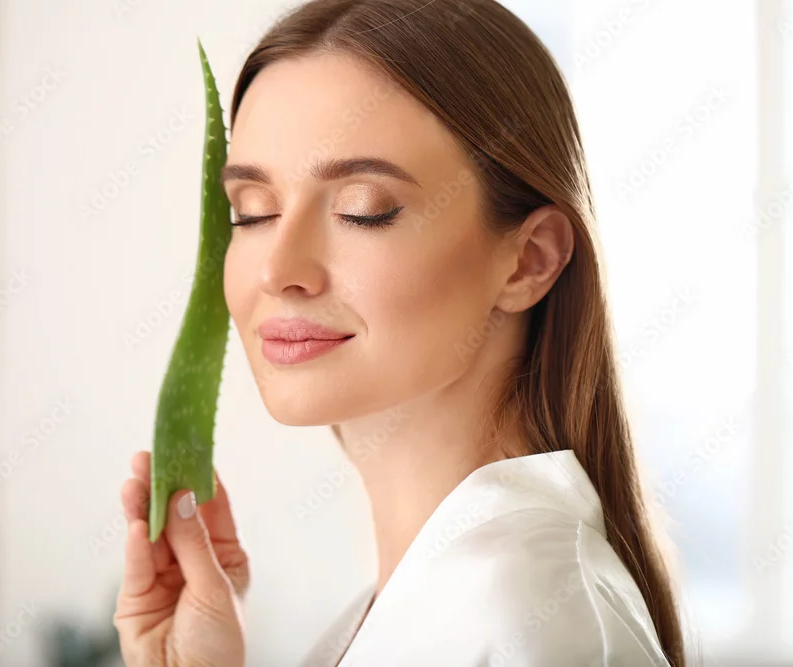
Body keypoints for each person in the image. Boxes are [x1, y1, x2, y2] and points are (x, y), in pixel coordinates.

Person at [113, 0, 687, 665]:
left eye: (364, 209)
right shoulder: (420, 605)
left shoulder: (528, 619)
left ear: (529, 260)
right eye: (252, 212)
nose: (277, 270)